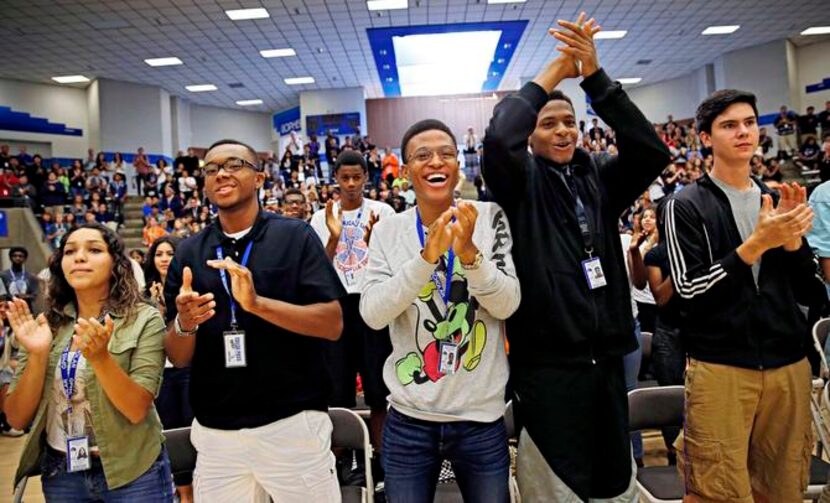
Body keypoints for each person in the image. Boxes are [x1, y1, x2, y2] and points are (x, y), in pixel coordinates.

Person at [482, 13, 671, 501]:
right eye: (548, 124)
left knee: (612, 487)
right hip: (547, 367)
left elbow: (651, 152)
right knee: (555, 491)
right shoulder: (518, 184)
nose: (563, 131)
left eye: (570, 122)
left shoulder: (599, 179)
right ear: (531, 135)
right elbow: (500, 137)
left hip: (608, 359)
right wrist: (556, 71)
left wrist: (595, 78)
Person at [162, 139, 345, 501]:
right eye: (211, 169)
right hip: (217, 435)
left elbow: (332, 323)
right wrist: (185, 323)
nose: (221, 174)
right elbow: (178, 356)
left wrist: (258, 304)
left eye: (234, 165)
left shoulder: (295, 236)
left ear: (259, 178)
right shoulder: (189, 252)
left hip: (291, 426)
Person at [665, 89, 825, 502]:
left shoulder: (774, 199)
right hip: (721, 366)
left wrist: (791, 244)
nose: (743, 132)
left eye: (750, 123)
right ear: (704, 138)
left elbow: (813, 293)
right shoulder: (684, 205)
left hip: (787, 364)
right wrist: (754, 245)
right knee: (718, 491)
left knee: (784, 486)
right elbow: (688, 292)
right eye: (729, 125)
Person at [361, 119, 521, 502]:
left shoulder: (490, 217)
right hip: (408, 419)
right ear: (404, 171)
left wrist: (469, 254)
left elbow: (507, 304)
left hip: (481, 420)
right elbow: (372, 313)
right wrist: (426, 258)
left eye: (446, 153)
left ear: (459, 164)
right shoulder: (388, 231)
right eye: (422, 155)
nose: (436, 162)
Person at [4, 223, 173, 501]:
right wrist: (37, 354)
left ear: (116, 263)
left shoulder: (143, 319)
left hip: (132, 468)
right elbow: (16, 417)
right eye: (70, 251)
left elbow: (135, 409)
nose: (79, 257)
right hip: (63, 473)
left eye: (94, 250)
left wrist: (100, 358)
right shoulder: (46, 326)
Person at [310, 151, 394, 461]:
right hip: (338, 305)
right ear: (336, 179)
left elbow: (391, 262)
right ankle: (340, 460)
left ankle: (381, 459)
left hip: (372, 301)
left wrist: (376, 243)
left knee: (377, 388)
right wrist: (333, 237)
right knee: (338, 387)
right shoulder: (322, 216)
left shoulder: (383, 211)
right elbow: (319, 268)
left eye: (356, 177)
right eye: (344, 178)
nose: (350, 184)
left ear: (366, 178)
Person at [143, 236, 193, 503]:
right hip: (160, 372)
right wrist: (156, 307)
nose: (163, 258)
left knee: (192, 426)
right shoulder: (141, 295)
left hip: (188, 368)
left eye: (170, 253)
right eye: (159, 253)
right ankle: (183, 492)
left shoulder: (190, 288)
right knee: (170, 430)